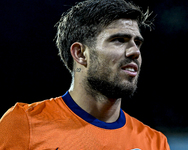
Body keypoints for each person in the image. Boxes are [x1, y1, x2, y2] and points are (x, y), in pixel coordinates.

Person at [0, 0, 170, 149]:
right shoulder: (24, 124)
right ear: (80, 54)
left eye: (137, 42)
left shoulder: (154, 143)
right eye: (119, 40)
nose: (135, 52)